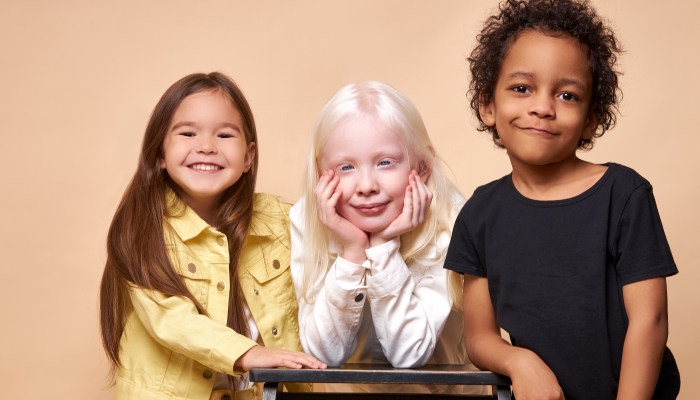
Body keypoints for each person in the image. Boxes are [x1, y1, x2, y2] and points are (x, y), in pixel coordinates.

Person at [444, 1, 680, 399]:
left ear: (590, 118)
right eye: (522, 88)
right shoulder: (480, 213)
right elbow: (480, 338)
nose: (542, 107)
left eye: (567, 95)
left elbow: (650, 320)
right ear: (488, 105)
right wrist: (520, 362)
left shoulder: (624, 195)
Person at [99, 72, 325, 400]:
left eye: (224, 135)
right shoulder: (141, 229)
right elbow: (172, 319)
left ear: (248, 157)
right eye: (188, 133)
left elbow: (329, 279)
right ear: (159, 153)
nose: (206, 147)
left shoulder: (279, 220)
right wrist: (247, 354)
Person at [290, 81, 483, 395]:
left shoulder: (453, 222)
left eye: (385, 163)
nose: (366, 185)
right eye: (346, 167)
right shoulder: (307, 218)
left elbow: (410, 353)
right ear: (320, 172)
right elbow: (324, 353)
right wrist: (353, 251)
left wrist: (382, 247)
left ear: (421, 166)